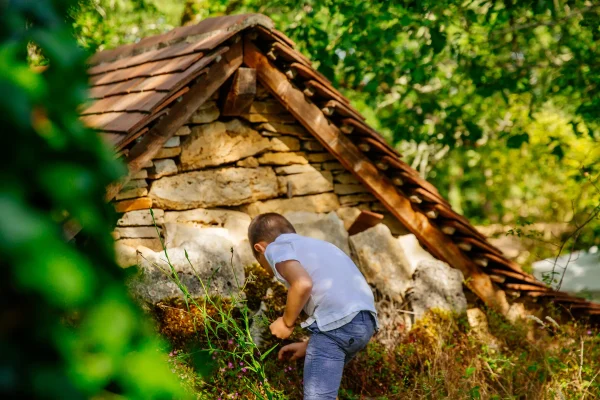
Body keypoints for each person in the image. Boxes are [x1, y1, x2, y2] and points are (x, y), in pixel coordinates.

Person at [248, 213, 378, 399]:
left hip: (338, 326)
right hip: (364, 323)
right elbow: (339, 305)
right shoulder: (316, 246)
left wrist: (286, 323)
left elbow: (302, 283)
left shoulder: (275, 248)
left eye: (262, 265)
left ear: (260, 248)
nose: (268, 271)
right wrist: (309, 345)